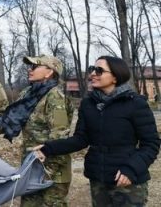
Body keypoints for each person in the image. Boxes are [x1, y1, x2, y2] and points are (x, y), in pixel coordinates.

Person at [35, 56, 160, 206]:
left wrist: (131, 169)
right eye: (92, 69)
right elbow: (81, 139)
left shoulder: (135, 103)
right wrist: (48, 148)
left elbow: (151, 144)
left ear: (115, 76)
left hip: (128, 181)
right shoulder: (88, 104)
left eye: (99, 70)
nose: (92, 74)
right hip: (98, 179)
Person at [0, 55, 72, 206]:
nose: (29, 70)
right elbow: (10, 122)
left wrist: (48, 171)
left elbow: (60, 137)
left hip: (53, 172)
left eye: (34, 67)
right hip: (31, 166)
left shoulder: (54, 96)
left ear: (49, 72)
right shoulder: (28, 94)